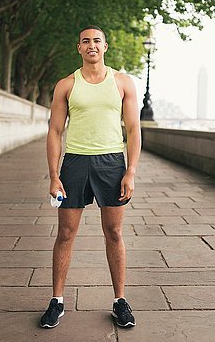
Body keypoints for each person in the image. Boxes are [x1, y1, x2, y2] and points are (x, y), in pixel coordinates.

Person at [40, 25, 141, 329]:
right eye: (86, 41)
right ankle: (57, 301)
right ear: (79, 48)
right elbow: (55, 131)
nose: (92, 45)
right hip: (75, 164)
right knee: (66, 234)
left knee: (114, 233)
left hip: (112, 163)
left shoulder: (123, 83)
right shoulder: (66, 85)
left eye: (97, 40)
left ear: (105, 47)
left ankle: (120, 301)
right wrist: (54, 175)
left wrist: (130, 171)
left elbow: (134, 129)